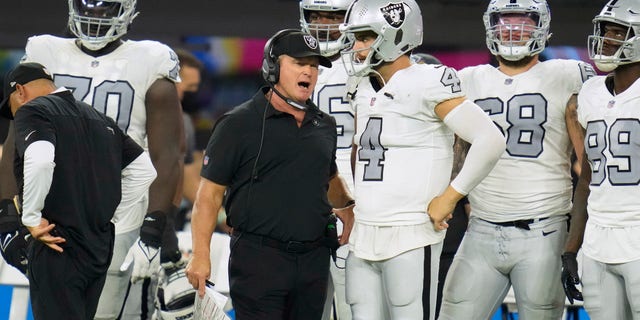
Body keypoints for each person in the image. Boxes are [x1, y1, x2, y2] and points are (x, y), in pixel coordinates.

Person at [0, 0, 185, 318]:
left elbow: (167, 155)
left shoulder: (150, 59)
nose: (94, 15)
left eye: (104, 8)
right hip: (63, 216)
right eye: (88, 5)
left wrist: (153, 227)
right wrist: (6, 213)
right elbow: (16, 142)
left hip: (101, 219)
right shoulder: (45, 51)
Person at [339, 1, 506, 319]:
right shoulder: (361, 85)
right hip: (365, 231)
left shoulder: (429, 79)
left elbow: (490, 139)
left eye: (365, 37)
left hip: (411, 232)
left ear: (394, 35)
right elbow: (359, 149)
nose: (357, 47)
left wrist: (450, 197)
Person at [438, 1, 596, 319]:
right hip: (480, 228)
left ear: (541, 26)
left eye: (522, 21)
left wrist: (578, 238)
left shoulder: (568, 74)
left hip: (545, 229)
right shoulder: (467, 79)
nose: (511, 29)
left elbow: (589, 163)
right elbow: (456, 156)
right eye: (504, 20)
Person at [185, 29, 355, 320]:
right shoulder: (238, 123)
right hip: (258, 260)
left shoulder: (324, 124)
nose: (309, 72)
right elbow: (208, 196)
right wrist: (201, 255)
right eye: (300, 63)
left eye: (314, 66)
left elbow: (327, 176)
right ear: (273, 67)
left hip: (313, 260)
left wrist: (347, 205)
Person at [0, 62, 156, 320]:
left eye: (12, 108)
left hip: (57, 244)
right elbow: (143, 170)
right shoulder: (99, 118)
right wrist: (106, 213)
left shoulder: (33, 110)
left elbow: (40, 159)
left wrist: (31, 217)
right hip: (97, 247)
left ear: (20, 91)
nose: (15, 116)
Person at [563, 1, 640, 319]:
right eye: (605, 30)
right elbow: (587, 179)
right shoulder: (589, 94)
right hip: (597, 242)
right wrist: (571, 248)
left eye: (619, 32)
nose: (607, 38)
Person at [299, 1, 354, 319]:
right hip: (304, 197)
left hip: (352, 196)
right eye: (316, 16)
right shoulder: (292, 62)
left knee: (350, 306)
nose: (323, 24)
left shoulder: (366, 64)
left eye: (333, 16)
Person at [174, 48, 204, 229]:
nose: (185, 96)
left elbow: (189, 170)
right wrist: (221, 217)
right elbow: (186, 181)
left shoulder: (183, 119)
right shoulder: (179, 121)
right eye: (186, 87)